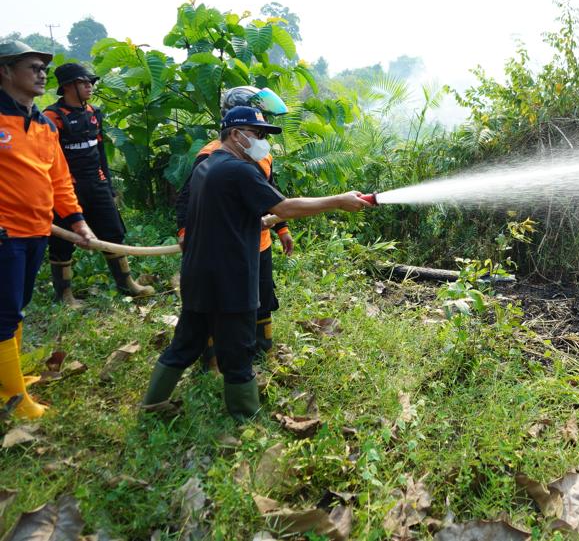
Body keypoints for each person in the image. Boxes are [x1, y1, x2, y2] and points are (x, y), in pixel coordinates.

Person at [142, 106, 370, 420]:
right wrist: (339, 201)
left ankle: (152, 404)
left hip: (198, 273)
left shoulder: (208, 167)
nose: (264, 142)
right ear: (236, 134)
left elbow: (226, 212)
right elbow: (286, 207)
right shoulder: (240, 170)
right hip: (231, 278)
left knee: (186, 341)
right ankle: (245, 420)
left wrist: (257, 221)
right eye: (258, 134)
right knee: (238, 352)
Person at [0, 41, 95, 419]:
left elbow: (59, 179)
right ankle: (14, 400)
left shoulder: (42, 125)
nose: (42, 74)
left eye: (43, 67)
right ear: (5, 71)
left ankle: (11, 380)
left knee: (16, 307)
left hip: (36, 231)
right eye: (32, 67)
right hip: (5, 234)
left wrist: (77, 221)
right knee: (5, 312)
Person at [175, 86, 292, 360]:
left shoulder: (263, 155)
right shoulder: (211, 156)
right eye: (257, 126)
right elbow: (188, 198)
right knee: (224, 303)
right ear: (237, 128)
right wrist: (185, 231)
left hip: (259, 243)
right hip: (227, 245)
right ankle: (216, 358)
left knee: (262, 295)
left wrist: (282, 229)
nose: (262, 135)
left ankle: (262, 350)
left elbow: (271, 194)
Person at [44, 63, 154, 306]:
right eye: (84, 82)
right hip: (67, 189)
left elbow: (100, 151)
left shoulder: (94, 112)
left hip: (97, 184)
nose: (90, 87)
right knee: (62, 241)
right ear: (67, 86)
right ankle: (64, 296)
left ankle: (127, 284)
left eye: (91, 82)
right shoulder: (52, 118)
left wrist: (109, 185)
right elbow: (47, 159)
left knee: (113, 232)